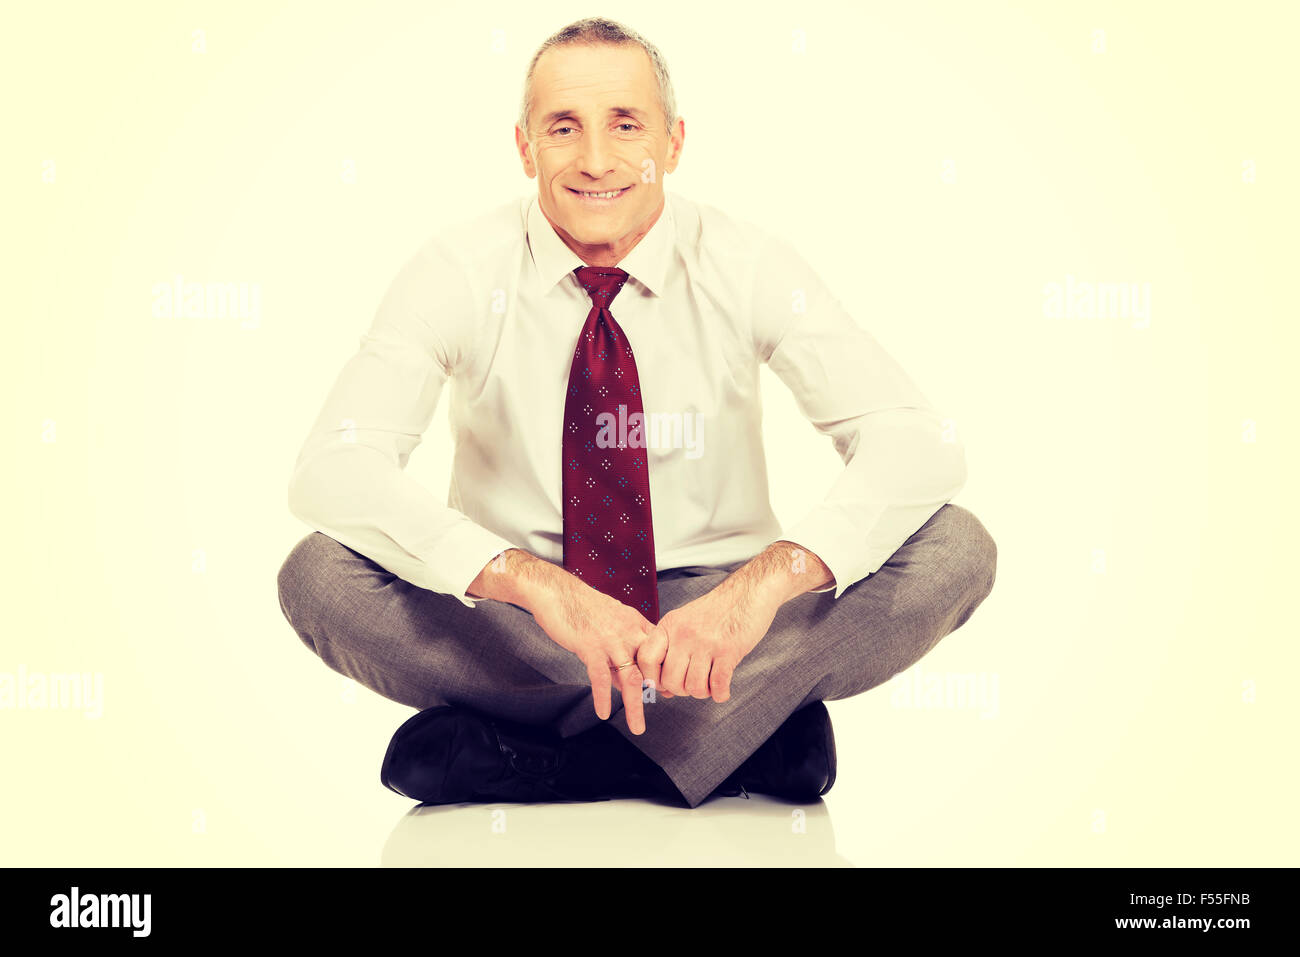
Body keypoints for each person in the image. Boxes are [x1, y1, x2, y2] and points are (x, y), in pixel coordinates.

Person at [276, 16, 997, 809]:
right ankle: (737, 740)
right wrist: (532, 583)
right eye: (563, 128)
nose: (595, 160)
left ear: (675, 142)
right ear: (524, 147)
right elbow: (334, 467)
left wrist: (752, 593)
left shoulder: (747, 261)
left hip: (712, 620)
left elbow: (917, 442)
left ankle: (537, 758)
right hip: (525, 624)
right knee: (318, 574)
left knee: (955, 547)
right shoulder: (455, 269)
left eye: (627, 126)